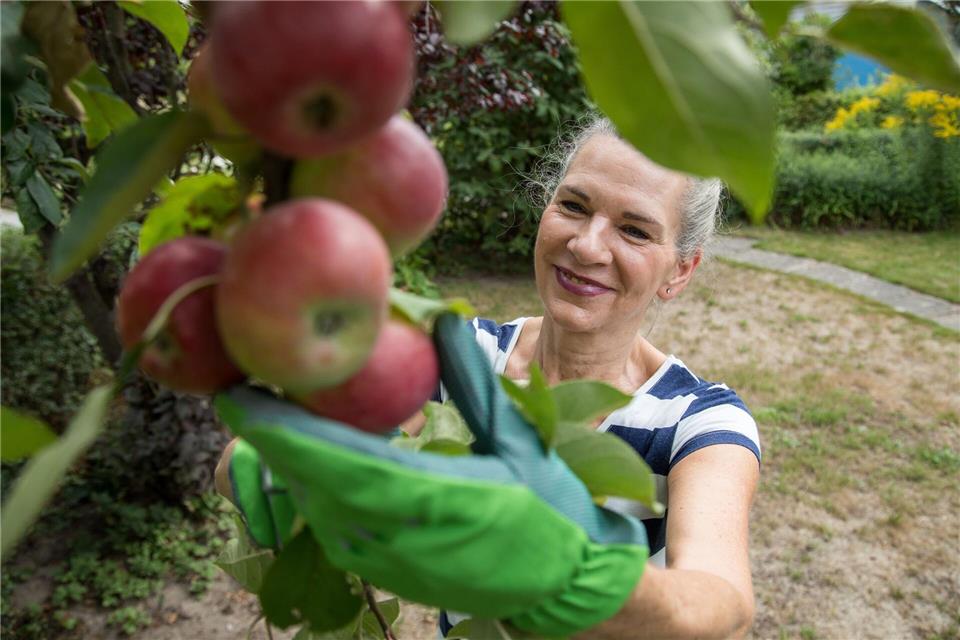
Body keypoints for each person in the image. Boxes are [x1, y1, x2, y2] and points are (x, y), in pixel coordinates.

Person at [215, 117, 761, 639]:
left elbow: (723, 606)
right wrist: (273, 460)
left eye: (635, 230)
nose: (588, 246)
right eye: (574, 205)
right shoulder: (465, 358)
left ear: (680, 270)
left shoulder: (696, 419)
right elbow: (269, 455)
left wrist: (580, 582)